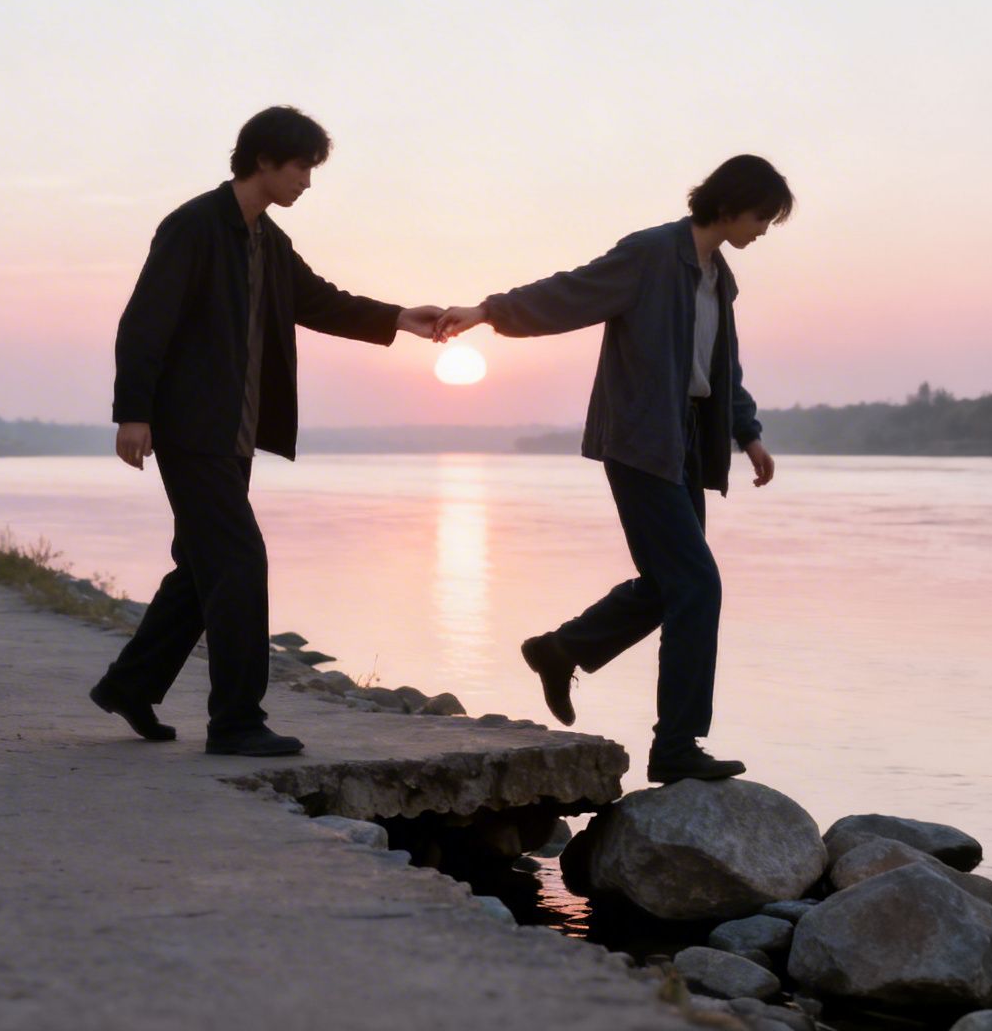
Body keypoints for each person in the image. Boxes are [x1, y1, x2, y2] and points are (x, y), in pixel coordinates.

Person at [94, 106, 442, 757]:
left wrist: (401, 317)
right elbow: (144, 322)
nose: (308, 180)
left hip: (234, 433)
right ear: (263, 161)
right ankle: (236, 722)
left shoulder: (269, 242)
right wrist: (132, 413)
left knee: (202, 571)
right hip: (191, 427)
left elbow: (320, 301)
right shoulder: (195, 226)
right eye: (301, 166)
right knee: (239, 562)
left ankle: (130, 684)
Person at [432, 155, 791, 783]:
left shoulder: (719, 278)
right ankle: (675, 746)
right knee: (697, 586)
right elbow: (570, 293)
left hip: (684, 443)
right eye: (762, 216)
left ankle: (559, 649)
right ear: (731, 205)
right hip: (640, 443)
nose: (764, 230)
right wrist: (489, 311)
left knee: (667, 584)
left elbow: (720, 366)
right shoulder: (652, 254)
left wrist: (748, 433)